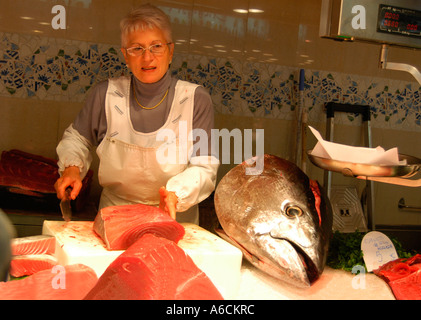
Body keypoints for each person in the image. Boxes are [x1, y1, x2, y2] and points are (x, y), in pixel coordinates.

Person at [54, 4, 219, 223]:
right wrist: (72, 169)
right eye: (137, 48)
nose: (147, 57)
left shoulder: (195, 99)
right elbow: (77, 139)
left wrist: (176, 194)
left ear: (171, 51)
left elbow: (204, 166)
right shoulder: (105, 94)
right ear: (125, 55)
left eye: (156, 46)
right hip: (116, 217)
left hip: (174, 217)